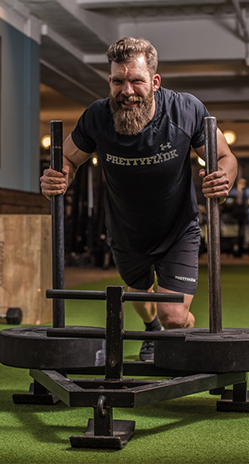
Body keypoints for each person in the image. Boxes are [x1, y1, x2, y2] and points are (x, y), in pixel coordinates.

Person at [40, 37, 237, 361]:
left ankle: (180, 330)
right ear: (110, 81)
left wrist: (224, 178)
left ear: (155, 82)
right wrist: (56, 175)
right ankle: (152, 332)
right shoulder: (97, 117)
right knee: (141, 298)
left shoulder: (186, 111)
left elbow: (227, 157)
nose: (127, 91)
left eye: (136, 81)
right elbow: (70, 160)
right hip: (126, 230)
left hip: (178, 229)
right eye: (119, 81)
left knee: (172, 315)